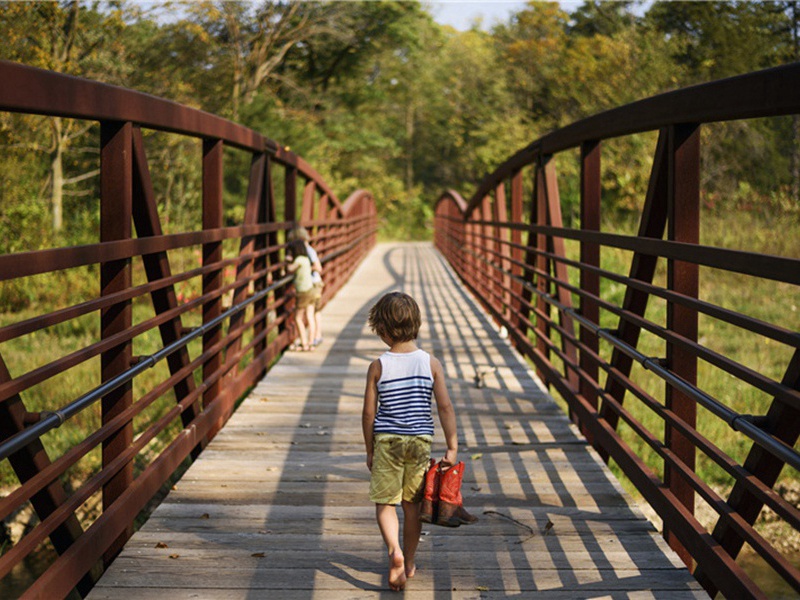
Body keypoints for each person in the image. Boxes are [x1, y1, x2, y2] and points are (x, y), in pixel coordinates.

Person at [362, 291, 458, 591]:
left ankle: (395, 552)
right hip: (419, 442)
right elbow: (445, 407)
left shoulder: (378, 366)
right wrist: (452, 445)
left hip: (388, 442)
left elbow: (368, 413)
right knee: (411, 506)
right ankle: (411, 559)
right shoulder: (431, 363)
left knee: (384, 503)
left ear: (384, 330)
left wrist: (370, 449)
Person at [289, 226, 324, 346]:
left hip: (313, 283)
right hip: (313, 284)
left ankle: (313, 338)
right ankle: (314, 338)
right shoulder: (308, 250)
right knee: (314, 311)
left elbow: (318, 267)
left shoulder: (307, 250)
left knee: (312, 312)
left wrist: (304, 269)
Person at [285, 238, 317, 351]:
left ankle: (304, 343)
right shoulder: (306, 259)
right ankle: (311, 342)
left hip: (303, 292)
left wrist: (287, 260)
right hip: (311, 290)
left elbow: (289, 269)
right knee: (310, 316)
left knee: (298, 318)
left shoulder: (298, 260)